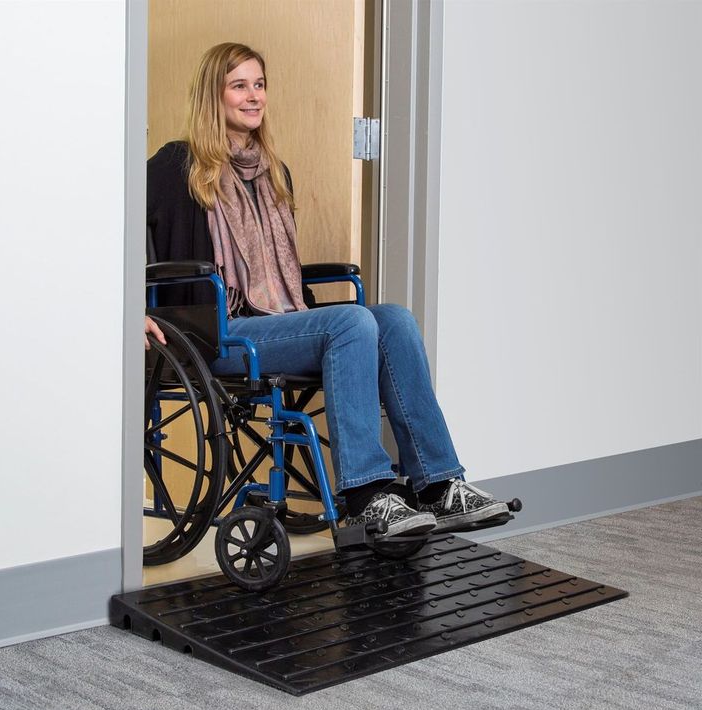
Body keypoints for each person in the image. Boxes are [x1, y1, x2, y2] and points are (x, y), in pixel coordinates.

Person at [146, 42, 510, 538]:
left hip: (277, 323)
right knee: (350, 320)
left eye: (260, 84)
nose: (254, 97)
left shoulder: (273, 172)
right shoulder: (177, 165)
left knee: (395, 318)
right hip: (218, 334)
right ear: (214, 96)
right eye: (239, 86)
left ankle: (437, 483)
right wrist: (128, 307)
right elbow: (115, 230)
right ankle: (365, 492)